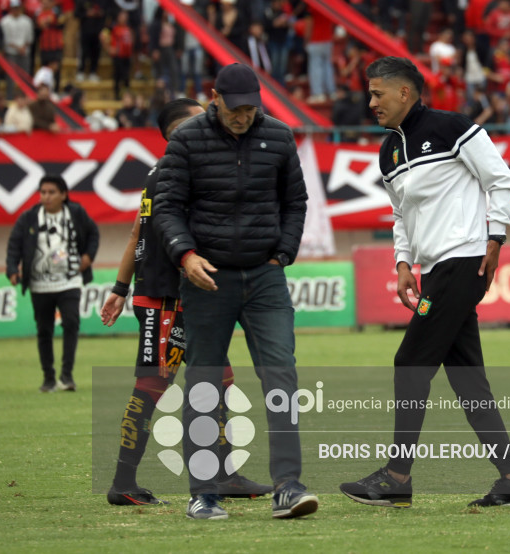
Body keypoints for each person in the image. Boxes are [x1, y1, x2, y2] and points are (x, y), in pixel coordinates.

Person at [339, 56, 510, 509]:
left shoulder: (453, 127)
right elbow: (400, 215)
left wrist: (496, 237)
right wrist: (403, 262)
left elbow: (501, 180)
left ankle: (397, 476)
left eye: (377, 94)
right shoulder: (388, 150)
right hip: (435, 271)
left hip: (464, 263)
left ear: (404, 92)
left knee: (410, 362)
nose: (371, 103)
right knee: (468, 379)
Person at [153, 63, 317, 520]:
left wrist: (282, 253)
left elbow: (295, 202)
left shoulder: (280, 137)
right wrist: (185, 254)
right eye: (235, 108)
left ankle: (288, 485)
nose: (243, 116)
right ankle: (203, 492)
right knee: (204, 383)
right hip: (207, 278)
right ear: (215, 97)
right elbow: (167, 207)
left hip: (265, 277)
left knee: (281, 376)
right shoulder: (186, 140)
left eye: (251, 107)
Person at [100, 98, 273, 506]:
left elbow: (134, 234)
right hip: (168, 297)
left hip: (181, 295)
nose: (212, 122)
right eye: (202, 118)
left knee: (222, 381)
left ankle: (225, 474)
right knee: (152, 386)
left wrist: (120, 288)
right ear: (180, 130)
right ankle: (123, 482)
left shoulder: (160, 173)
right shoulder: (180, 171)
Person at [6, 175, 99, 393]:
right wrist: (12, 269)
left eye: (51, 192)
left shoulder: (76, 213)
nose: (46, 197)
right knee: (44, 330)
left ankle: (67, 376)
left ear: (63, 195)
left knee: (71, 323)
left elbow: (93, 233)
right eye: (43, 192)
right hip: (40, 284)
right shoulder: (29, 218)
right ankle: (48, 377)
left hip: (70, 281)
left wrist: (89, 256)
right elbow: (14, 244)